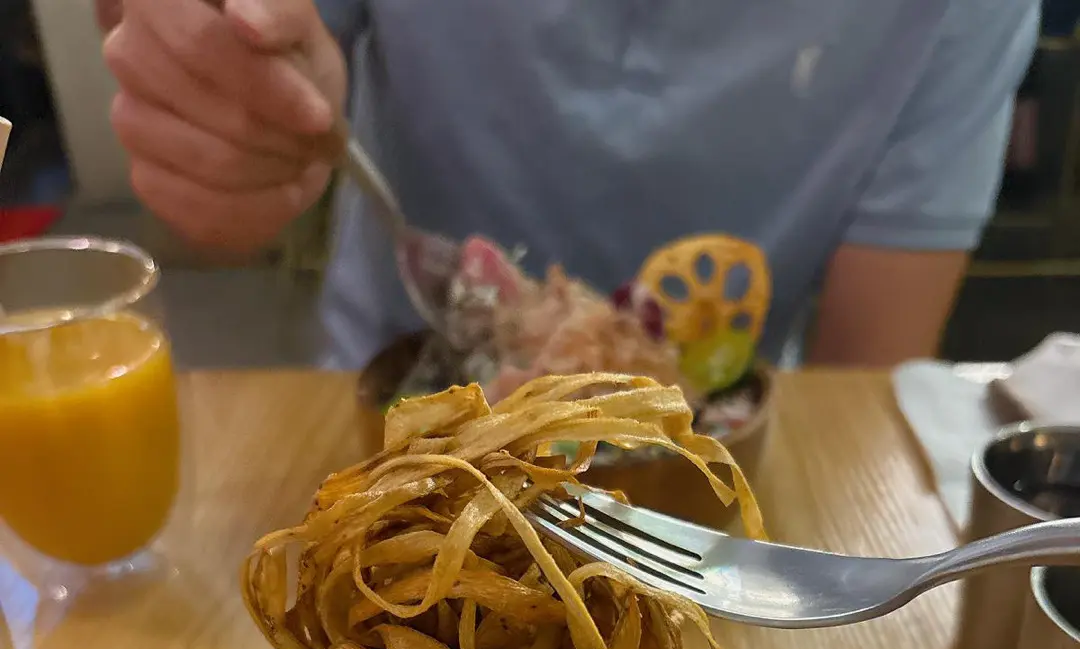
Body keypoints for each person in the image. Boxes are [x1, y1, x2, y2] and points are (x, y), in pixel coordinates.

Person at [95, 0, 1039, 371]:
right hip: (385, 408)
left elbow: (867, 378)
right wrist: (221, 97)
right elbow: (217, 172)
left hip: (723, 472)